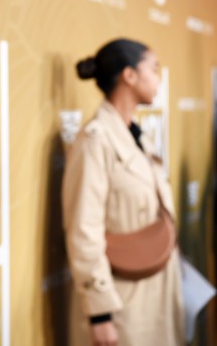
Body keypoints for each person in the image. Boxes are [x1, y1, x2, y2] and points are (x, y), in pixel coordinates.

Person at [62, 38, 184, 346]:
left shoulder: (136, 137)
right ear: (129, 75)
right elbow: (83, 231)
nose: (159, 78)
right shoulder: (95, 141)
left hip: (156, 296)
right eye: (153, 68)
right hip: (122, 306)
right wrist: (100, 314)